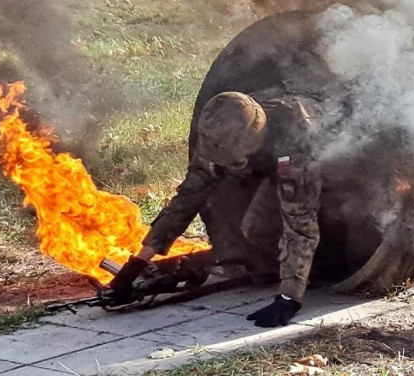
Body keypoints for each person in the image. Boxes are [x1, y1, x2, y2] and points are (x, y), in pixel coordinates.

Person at [110, 88, 327, 327]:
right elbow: (187, 199)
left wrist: (289, 297)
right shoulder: (221, 132)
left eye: (236, 163)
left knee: (299, 220)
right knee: (255, 229)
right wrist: (138, 262)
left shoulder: (295, 144)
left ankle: (319, 263)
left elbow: (299, 225)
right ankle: (302, 266)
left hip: (337, 165)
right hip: (275, 167)